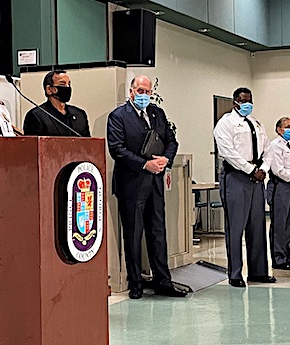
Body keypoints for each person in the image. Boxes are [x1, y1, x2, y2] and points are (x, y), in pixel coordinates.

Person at [107, 75, 187, 299]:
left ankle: (163, 281)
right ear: (131, 91)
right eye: (140, 90)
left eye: (147, 91)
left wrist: (165, 160)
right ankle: (136, 284)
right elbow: (117, 149)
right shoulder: (118, 116)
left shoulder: (157, 113)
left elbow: (171, 141)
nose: (144, 95)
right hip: (131, 185)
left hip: (155, 184)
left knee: (158, 232)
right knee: (133, 235)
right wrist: (145, 164)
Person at [213, 87, 276, 288]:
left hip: (257, 178)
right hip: (236, 177)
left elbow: (268, 149)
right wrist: (250, 170)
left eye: (250, 100)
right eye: (243, 100)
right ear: (235, 102)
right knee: (235, 226)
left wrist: (263, 168)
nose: (247, 104)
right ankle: (235, 273)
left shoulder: (256, 123)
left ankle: (258, 271)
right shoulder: (225, 123)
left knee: (257, 226)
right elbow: (228, 152)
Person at [268, 117, 290, 270]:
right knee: (279, 225)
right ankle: (278, 258)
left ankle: (287, 255)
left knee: (289, 224)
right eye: (287, 127)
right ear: (279, 129)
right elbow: (278, 170)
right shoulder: (275, 146)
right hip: (281, 186)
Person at [23, 70, 90, 137]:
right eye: (62, 84)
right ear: (49, 89)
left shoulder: (80, 115)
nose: (67, 87)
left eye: (69, 84)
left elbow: (89, 144)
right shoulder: (36, 116)